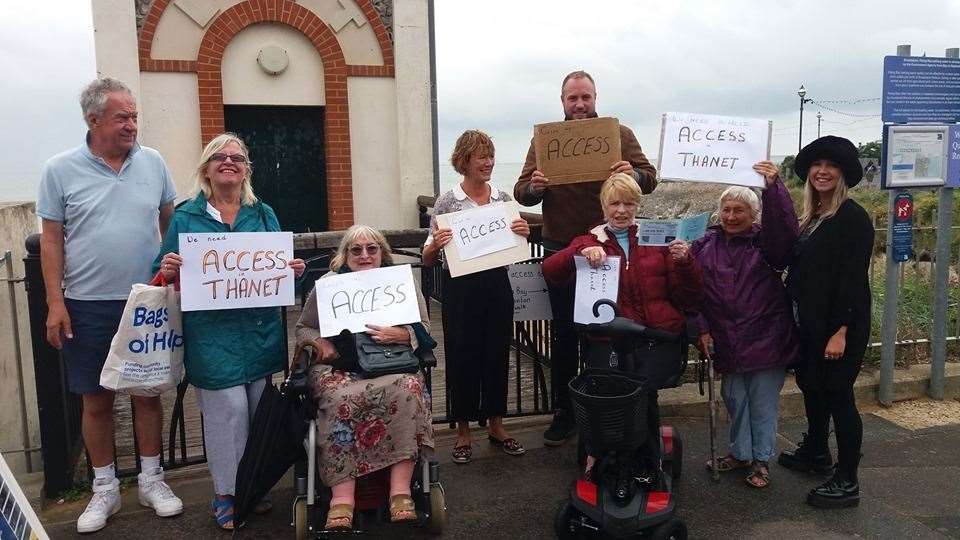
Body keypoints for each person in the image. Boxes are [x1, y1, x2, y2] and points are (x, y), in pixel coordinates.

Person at [36, 77, 184, 533]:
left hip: (146, 302)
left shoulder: (154, 163)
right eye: (123, 117)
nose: (132, 125)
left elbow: (171, 223)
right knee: (95, 399)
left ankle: (151, 479)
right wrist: (55, 302)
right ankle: (104, 488)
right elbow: (51, 240)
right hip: (85, 304)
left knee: (146, 394)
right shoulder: (59, 169)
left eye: (134, 116)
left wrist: (174, 275)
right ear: (93, 119)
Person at [154, 133, 306, 529]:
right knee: (228, 413)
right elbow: (161, 271)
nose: (229, 162)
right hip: (211, 335)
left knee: (257, 413)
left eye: (237, 158)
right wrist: (168, 268)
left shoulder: (263, 213)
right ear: (206, 169)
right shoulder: (187, 216)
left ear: (246, 170)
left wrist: (291, 271)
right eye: (219, 157)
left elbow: (277, 263)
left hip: (257, 331)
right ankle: (226, 492)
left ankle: (251, 487)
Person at [513, 70, 659, 445]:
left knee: (605, 334)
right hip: (561, 249)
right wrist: (534, 186)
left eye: (586, 98)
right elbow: (521, 193)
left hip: (607, 250)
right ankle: (565, 413)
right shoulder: (546, 139)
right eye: (572, 98)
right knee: (563, 335)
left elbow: (649, 177)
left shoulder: (618, 134)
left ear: (595, 98)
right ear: (562, 101)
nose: (579, 105)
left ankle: (604, 406)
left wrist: (634, 174)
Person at [541, 173, 702, 472]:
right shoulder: (588, 240)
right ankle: (602, 460)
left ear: (638, 205)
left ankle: (649, 463)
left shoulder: (658, 239)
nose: (622, 211)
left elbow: (688, 296)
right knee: (606, 397)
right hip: (608, 339)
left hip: (654, 337)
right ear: (603, 207)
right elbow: (550, 270)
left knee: (644, 396)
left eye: (629, 203)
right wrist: (579, 253)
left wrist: (686, 263)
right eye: (615, 203)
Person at [295, 225, 435, 531]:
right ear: (344, 255)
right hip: (340, 369)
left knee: (410, 388)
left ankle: (400, 494)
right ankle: (342, 499)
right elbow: (303, 328)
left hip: (389, 365)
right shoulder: (329, 284)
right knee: (338, 398)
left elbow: (425, 326)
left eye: (372, 248)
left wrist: (404, 334)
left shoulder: (401, 281)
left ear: (382, 252)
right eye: (355, 250)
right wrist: (321, 343)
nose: (364, 255)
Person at [423, 130, 530, 464]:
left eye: (491, 155)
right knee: (462, 356)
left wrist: (523, 233)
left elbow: (515, 246)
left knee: (497, 353)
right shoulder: (447, 201)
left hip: (497, 285)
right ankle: (464, 431)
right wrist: (435, 245)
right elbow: (427, 255)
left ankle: (497, 426)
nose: (489, 162)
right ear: (464, 161)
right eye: (481, 156)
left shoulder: (501, 199)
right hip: (461, 290)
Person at [778, 136, 874, 508]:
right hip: (811, 322)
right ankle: (816, 450)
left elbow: (852, 280)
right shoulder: (813, 217)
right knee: (813, 387)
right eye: (817, 165)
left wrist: (841, 331)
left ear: (843, 174)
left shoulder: (852, 217)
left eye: (831, 165)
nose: (822, 171)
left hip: (838, 326)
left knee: (838, 396)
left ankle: (847, 479)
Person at [690, 163, 799, 488]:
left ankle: (761, 460)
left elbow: (784, 230)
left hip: (767, 339)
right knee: (735, 400)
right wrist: (701, 329)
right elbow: (691, 293)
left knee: (762, 404)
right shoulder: (704, 246)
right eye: (726, 209)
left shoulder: (766, 246)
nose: (732, 216)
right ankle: (740, 453)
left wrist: (773, 187)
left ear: (754, 214)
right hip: (726, 340)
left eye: (740, 210)